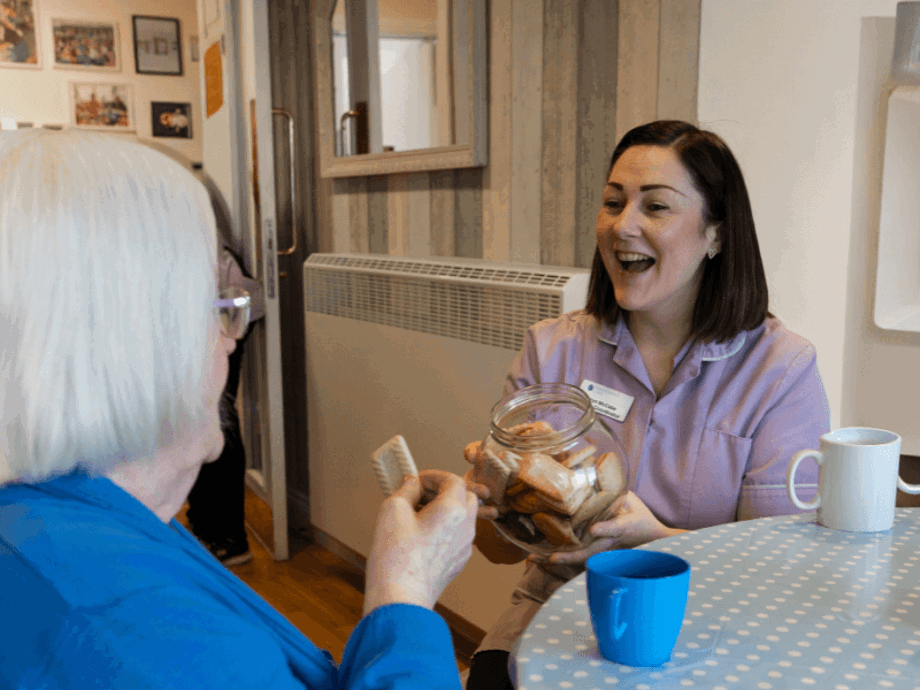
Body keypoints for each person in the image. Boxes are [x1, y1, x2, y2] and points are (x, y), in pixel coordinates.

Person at [0, 130, 487, 689]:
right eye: (218, 308)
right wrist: (407, 593)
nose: (233, 339)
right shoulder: (138, 631)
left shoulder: (78, 524)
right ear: (139, 346)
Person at [465, 120, 830, 689]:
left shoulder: (781, 369)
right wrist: (493, 488)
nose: (622, 225)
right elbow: (497, 550)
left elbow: (777, 570)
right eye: (613, 203)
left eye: (655, 207)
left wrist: (651, 538)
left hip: (713, 634)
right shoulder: (551, 348)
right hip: (556, 619)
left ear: (716, 234)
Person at [185, 172, 264, 566]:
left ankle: (228, 536)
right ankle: (204, 525)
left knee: (218, 423)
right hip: (210, 333)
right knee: (204, 423)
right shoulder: (194, 247)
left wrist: (209, 316)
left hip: (221, 332)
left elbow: (242, 306)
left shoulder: (218, 255)